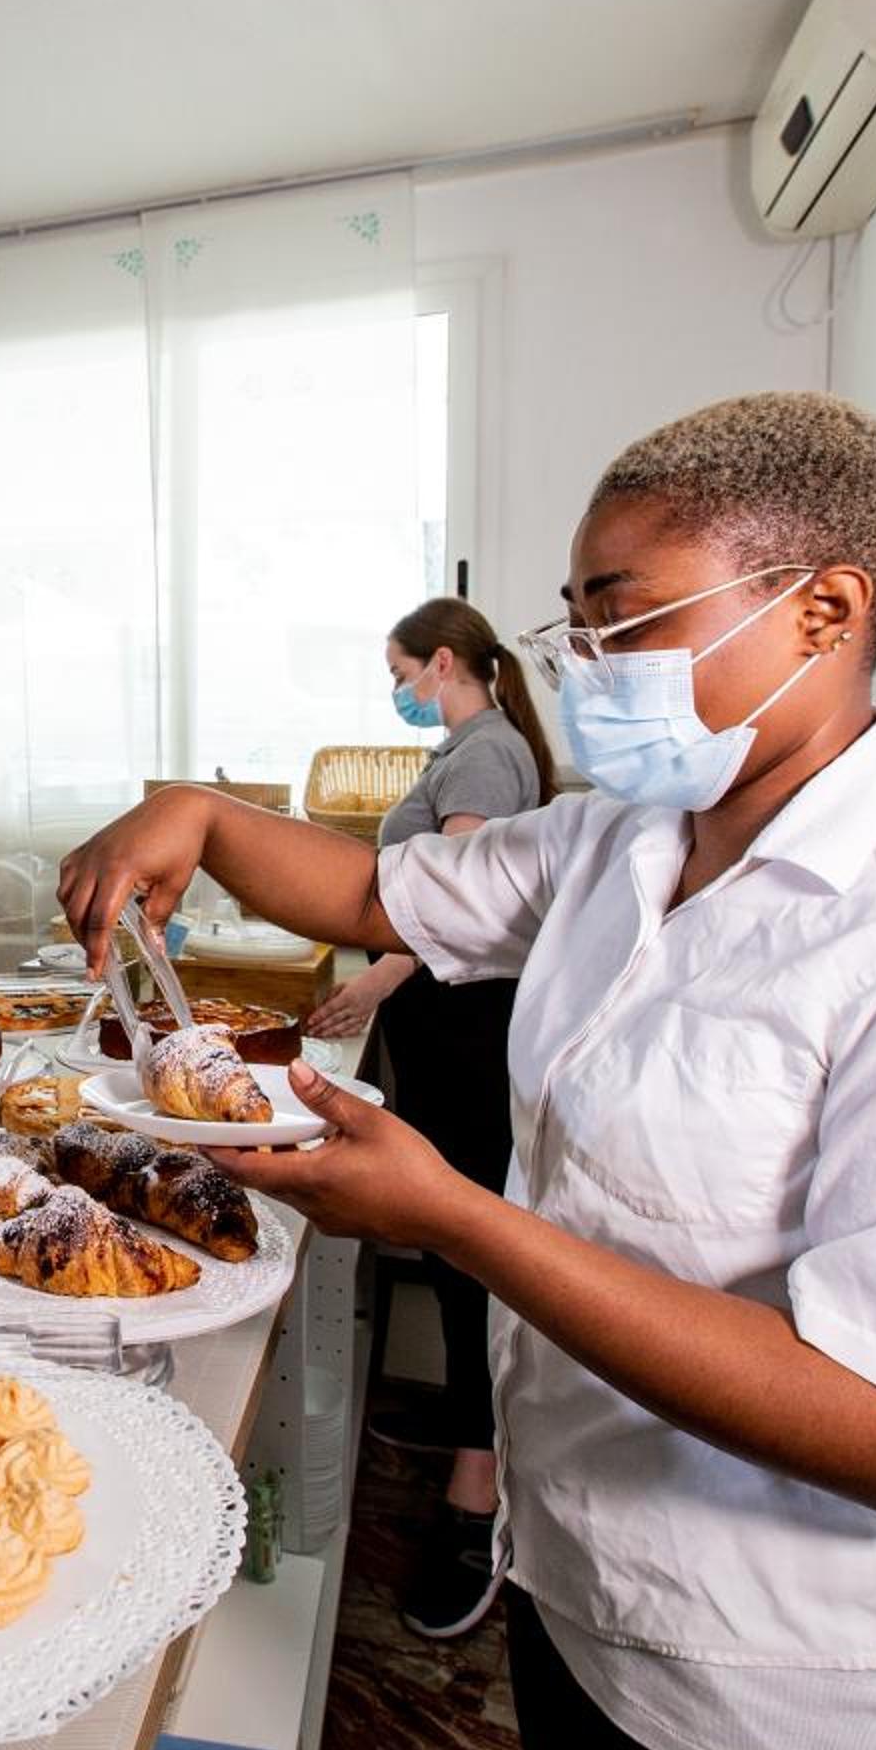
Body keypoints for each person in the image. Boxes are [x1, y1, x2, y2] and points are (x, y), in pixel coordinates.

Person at [60, 393, 876, 1750]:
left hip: (819, 1731)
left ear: (823, 611)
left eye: (627, 621)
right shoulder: (626, 844)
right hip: (587, 1623)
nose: (589, 669)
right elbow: (377, 892)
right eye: (574, 626)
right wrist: (196, 812)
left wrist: (455, 1218)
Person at [302, 595, 553, 1640]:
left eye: (399, 670)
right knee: (451, 1242)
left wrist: (371, 986)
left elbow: (460, 905)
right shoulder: (471, 747)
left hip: (465, 1033)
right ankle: (461, 1423)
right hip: (443, 1032)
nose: (395, 689)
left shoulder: (488, 755)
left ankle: (478, 1492)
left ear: (441, 660)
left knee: (465, 1245)